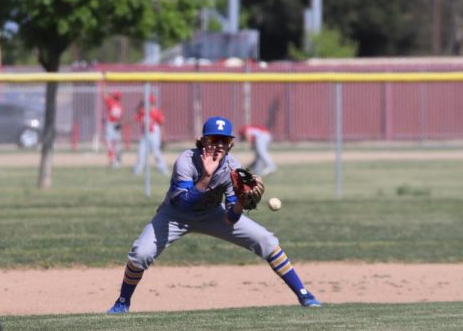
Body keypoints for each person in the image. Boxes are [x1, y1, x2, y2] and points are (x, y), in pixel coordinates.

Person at [107, 116, 321, 314]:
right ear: (202, 141)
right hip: (175, 215)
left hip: (212, 214)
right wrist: (206, 178)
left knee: (266, 240)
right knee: (141, 254)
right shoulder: (186, 161)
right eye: (213, 139)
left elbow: (230, 219)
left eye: (224, 140)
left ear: (231, 144)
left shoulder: (234, 168)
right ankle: (122, 302)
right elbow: (184, 202)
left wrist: (239, 203)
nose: (218, 144)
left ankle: (305, 295)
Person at [133, 94, 169, 176]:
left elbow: (162, 123)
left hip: (154, 135)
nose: (146, 104)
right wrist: (140, 103)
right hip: (145, 135)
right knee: (141, 153)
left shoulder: (156, 112)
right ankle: (137, 170)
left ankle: (163, 169)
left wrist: (163, 137)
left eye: (148, 102)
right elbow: (136, 114)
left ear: (152, 103)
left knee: (156, 153)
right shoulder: (143, 111)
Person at [103, 90, 124, 168]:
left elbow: (105, 95)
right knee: (117, 144)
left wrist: (104, 85)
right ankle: (117, 160)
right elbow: (121, 117)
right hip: (117, 125)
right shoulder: (120, 106)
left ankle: (113, 161)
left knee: (109, 144)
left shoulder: (111, 102)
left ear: (114, 96)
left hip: (111, 125)